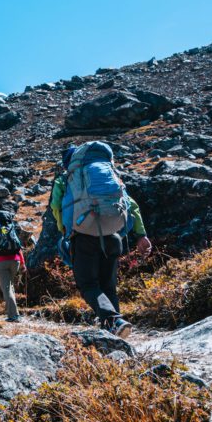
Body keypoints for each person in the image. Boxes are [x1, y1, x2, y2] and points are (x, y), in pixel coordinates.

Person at [50, 143, 152, 338]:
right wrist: (141, 235)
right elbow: (131, 205)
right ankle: (115, 330)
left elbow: (56, 207)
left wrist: (65, 230)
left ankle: (114, 321)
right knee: (108, 285)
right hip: (113, 236)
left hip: (84, 237)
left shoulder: (66, 179)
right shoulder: (110, 174)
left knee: (88, 284)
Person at [0, 210, 26, 322]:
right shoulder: (10, 228)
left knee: (6, 288)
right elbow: (18, 246)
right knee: (10, 286)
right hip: (15, 261)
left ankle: (14, 316)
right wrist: (22, 262)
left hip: (0, 262)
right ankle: (12, 312)